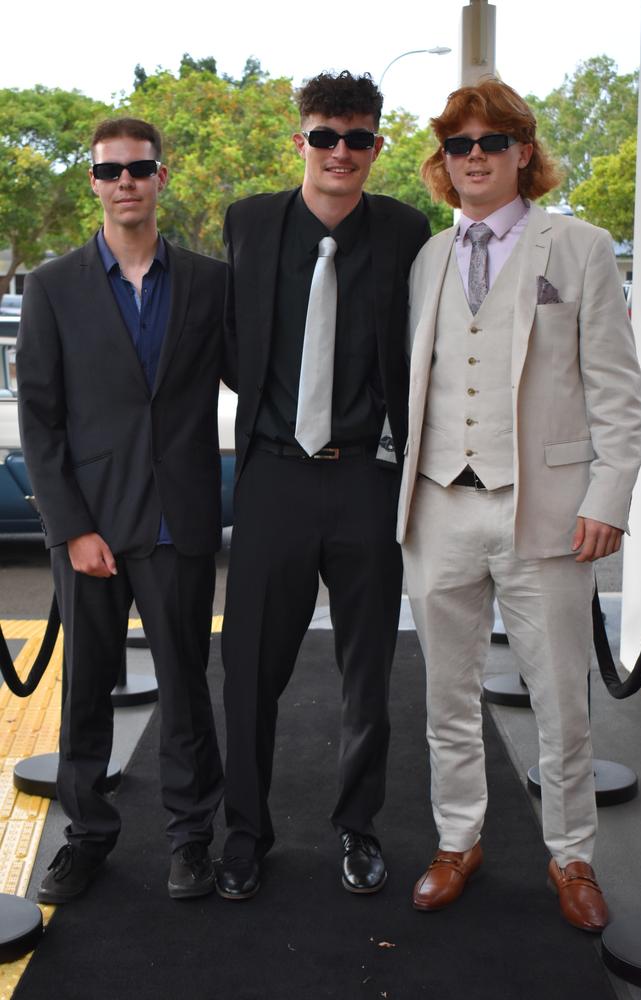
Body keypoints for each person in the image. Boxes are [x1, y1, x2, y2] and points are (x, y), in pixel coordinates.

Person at [398, 79, 641, 932]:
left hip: (543, 510)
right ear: (444, 159)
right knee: (446, 697)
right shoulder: (429, 257)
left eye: (491, 143)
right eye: (459, 144)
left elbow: (619, 393)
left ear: (522, 154)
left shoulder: (577, 246)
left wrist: (608, 496)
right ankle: (456, 840)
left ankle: (571, 855)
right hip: (437, 509)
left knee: (560, 701)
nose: (474, 158)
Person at [217, 71, 430, 900]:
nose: (341, 152)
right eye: (325, 136)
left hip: (366, 481)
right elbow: (232, 340)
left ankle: (358, 828)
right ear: (299, 140)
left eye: (359, 138)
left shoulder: (410, 232)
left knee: (367, 670)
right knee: (249, 671)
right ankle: (245, 833)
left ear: (377, 146)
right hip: (272, 472)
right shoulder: (250, 223)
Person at [17, 117, 227, 903]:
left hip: (179, 521)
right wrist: (71, 527)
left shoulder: (209, 282)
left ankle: (191, 839)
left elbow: (257, 373)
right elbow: (40, 418)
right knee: (86, 691)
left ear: (161, 177)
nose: (126, 182)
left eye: (140, 168)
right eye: (111, 172)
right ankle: (87, 838)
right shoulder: (53, 285)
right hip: (91, 530)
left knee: (185, 688)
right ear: (95, 184)